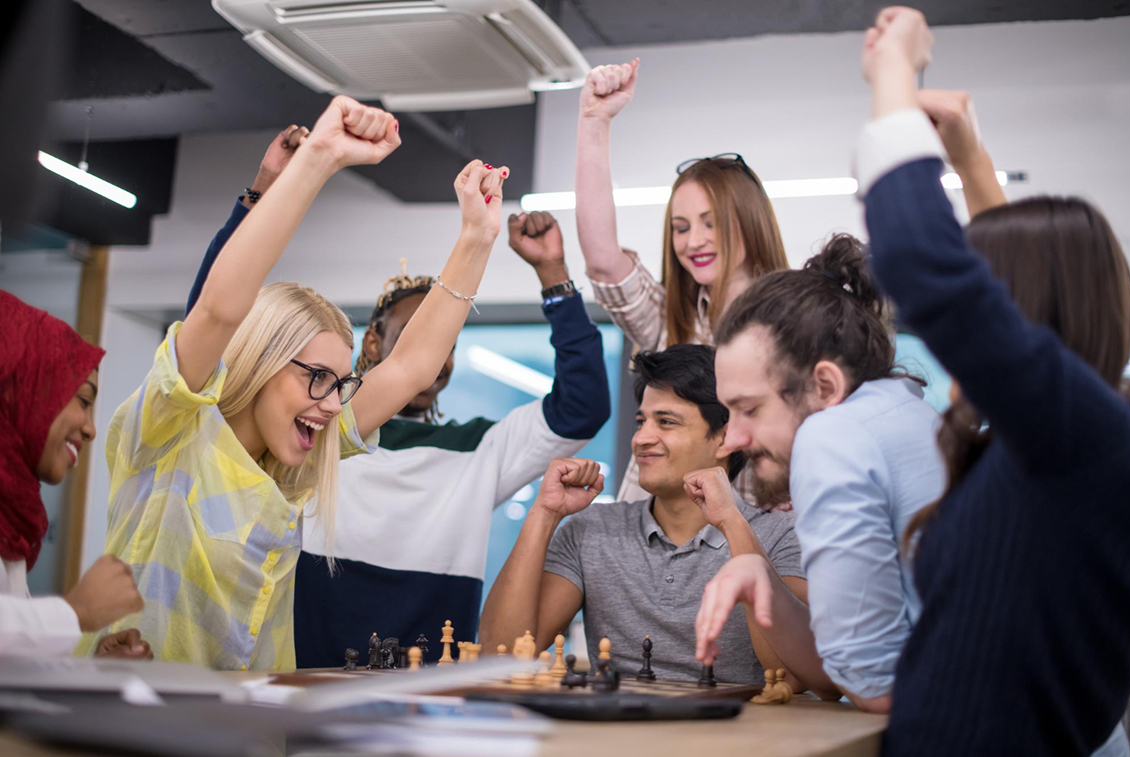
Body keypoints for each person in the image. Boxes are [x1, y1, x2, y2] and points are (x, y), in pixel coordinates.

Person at [76, 95, 511, 671]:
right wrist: (319, 159)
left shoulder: (299, 466)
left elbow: (410, 368)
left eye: (341, 384)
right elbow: (216, 312)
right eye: (316, 379)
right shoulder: (171, 435)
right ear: (259, 361)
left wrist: (477, 238)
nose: (332, 405)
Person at [187, 152, 610, 664]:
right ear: (372, 346)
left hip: (422, 699)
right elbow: (204, 334)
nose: (437, 358)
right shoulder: (311, 436)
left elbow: (583, 406)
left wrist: (553, 274)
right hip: (307, 691)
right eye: (419, 339)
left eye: (448, 345)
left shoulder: (479, 448)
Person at [858, 8, 1130, 755]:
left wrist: (894, 74)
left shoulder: (1085, 436)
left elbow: (925, 263)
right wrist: (972, 164)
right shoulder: (1071, 437)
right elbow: (1028, 301)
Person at [690, 235, 945, 709]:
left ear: (825, 385)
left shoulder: (832, 437)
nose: (731, 440)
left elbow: (877, 689)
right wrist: (763, 580)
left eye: (750, 409)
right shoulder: (903, 412)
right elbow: (839, 679)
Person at [479, 345, 806, 685]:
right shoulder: (590, 530)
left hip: (740, 735)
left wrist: (731, 524)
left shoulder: (783, 536)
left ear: (725, 437)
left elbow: (795, 677)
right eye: (641, 421)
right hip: (613, 734)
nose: (641, 439)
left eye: (665, 422)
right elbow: (499, 656)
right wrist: (544, 514)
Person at [574, 59, 789, 508]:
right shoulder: (670, 322)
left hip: (750, 543)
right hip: (649, 540)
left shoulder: (795, 325)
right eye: (681, 227)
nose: (694, 241)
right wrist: (594, 121)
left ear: (749, 224)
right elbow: (602, 259)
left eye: (711, 223)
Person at [0, 291, 150, 659]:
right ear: (20, 388)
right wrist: (74, 612)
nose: (90, 429)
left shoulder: (11, 522)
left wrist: (94, 670)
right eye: (83, 400)